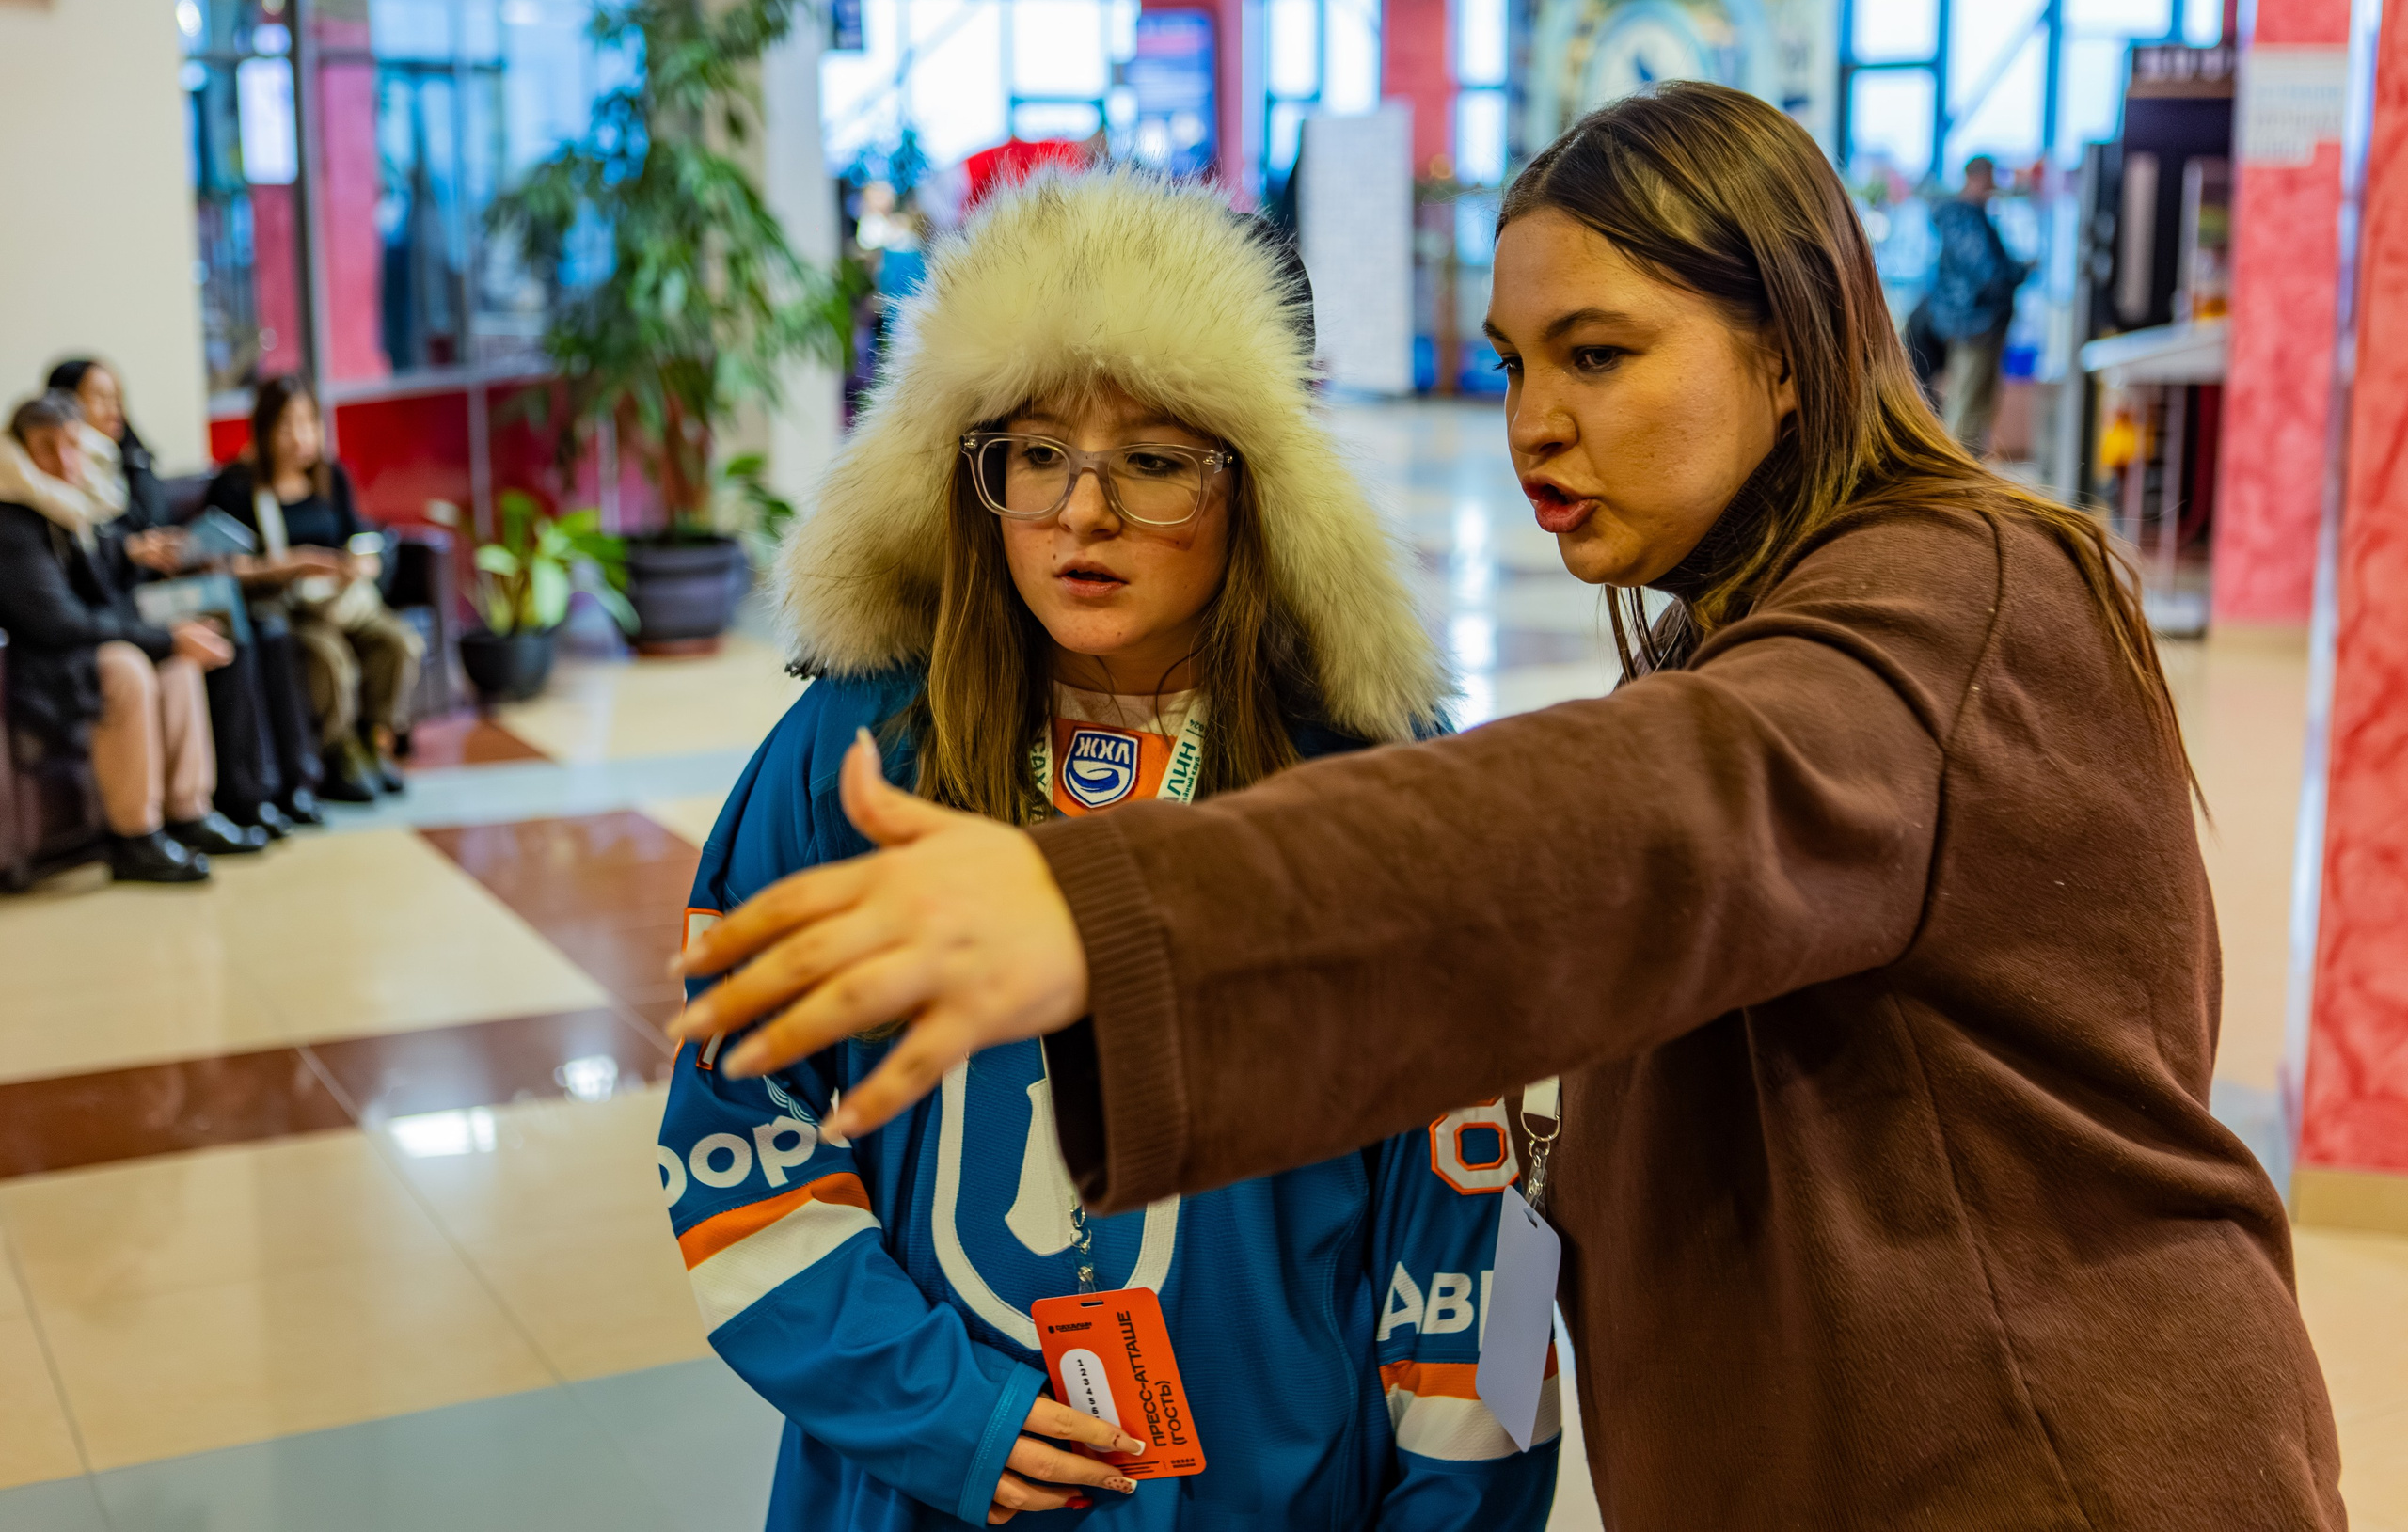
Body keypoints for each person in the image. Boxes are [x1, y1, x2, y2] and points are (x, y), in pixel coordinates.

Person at [668, 84, 2344, 1529]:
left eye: (1601, 354)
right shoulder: (854, 754)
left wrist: (1107, 911)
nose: (1540, 421)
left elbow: (1661, 815)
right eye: (1517, 360)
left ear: (1792, 349)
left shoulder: (1953, 594)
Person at [656, 172, 1559, 1531]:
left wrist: (1455, 1508)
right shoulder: (854, 752)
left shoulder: (1379, 782)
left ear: (1262, 484)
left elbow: (1482, 1237)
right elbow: (736, 1130)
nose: (1082, 511)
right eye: (1032, 451)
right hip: (915, 1490)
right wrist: (944, 1409)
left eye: (1152, 457)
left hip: (1270, 1493)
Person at [47, 356, 322, 834]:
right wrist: (131, 553)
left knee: (264, 628)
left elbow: (155, 522)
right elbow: (87, 570)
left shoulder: (131, 461)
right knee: (220, 636)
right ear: (66, 408)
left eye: (117, 397)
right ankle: (242, 793)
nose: (113, 409)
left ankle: (284, 784)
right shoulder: (59, 486)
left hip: (159, 591)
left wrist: (182, 549)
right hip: (127, 606)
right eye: (99, 397)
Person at [0, 394, 267, 882]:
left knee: (176, 662)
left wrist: (141, 570)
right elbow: (60, 623)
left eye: (72, 447)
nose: (63, 462)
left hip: (82, 649)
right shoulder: (13, 522)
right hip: (42, 669)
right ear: (19, 453)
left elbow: (109, 593)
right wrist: (162, 638)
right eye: (46, 449)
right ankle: (133, 836)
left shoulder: (76, 510)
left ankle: (189, 811)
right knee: (130, 667)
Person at [205, 376, 421, 803]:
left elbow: (355, 537)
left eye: (307, 423)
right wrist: (293, 564)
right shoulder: (236, 486)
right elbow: (221, 566)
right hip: (286, 610)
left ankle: (370, 740)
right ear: (264, 428)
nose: (299, 436)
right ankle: (336, 752)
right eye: (286, 424)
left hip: (342, 602)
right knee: (330, 659)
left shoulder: (330, 478)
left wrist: (361, 562)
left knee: (398, 642)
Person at [1915, 154, 2029, 454]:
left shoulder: (1974, 217)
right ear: (1978, 177)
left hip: (1983, 325)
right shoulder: (1963, 219)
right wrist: (2021, 270)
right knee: (1965, 406)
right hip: (1973, 325)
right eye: (1991, 178)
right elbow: (1987, 272)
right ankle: (1952, 479)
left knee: (1979, 407)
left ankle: (1968, 476)